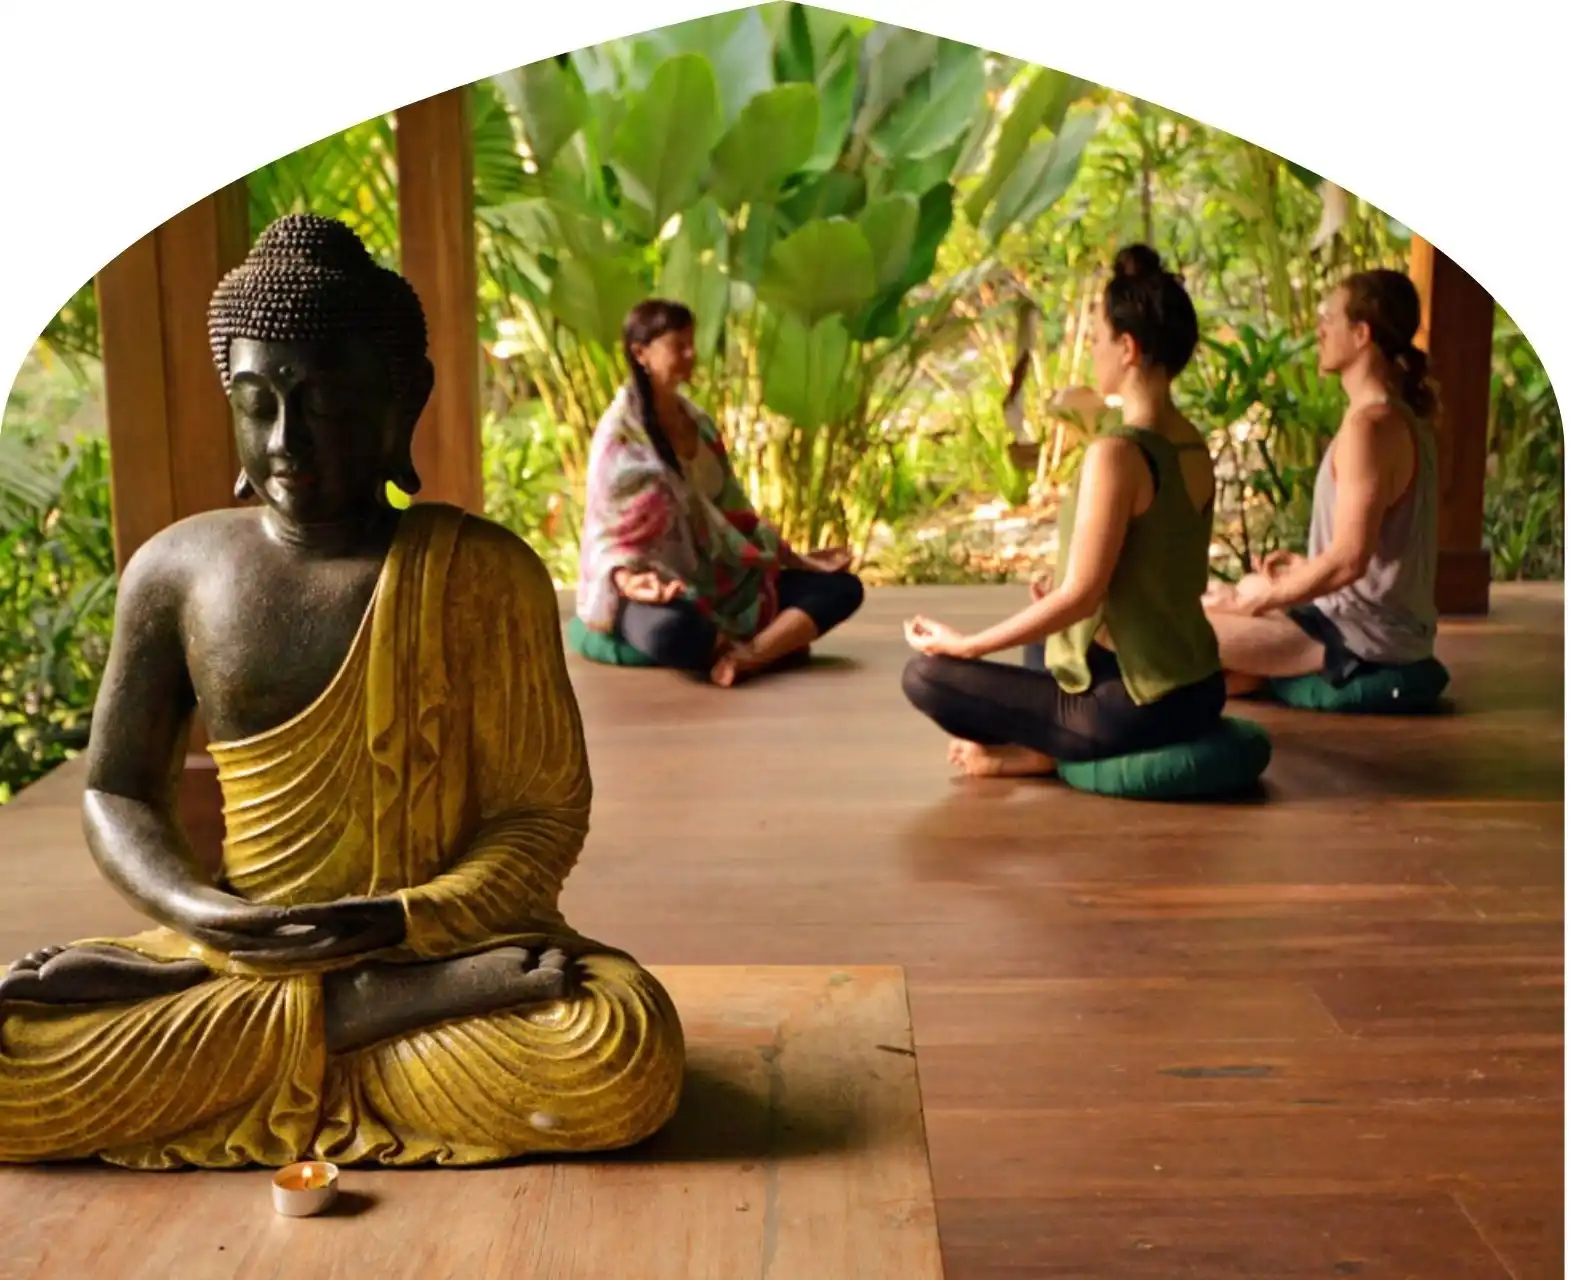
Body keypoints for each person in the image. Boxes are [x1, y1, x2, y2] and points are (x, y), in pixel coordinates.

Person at [0, 214, 684, 1169]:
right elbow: (117, 791)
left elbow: (540, 815)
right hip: (247, 946)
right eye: (258, 401)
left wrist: (399, 922)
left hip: (439, 954)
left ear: (399, 403)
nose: (290, 440)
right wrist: (197, 914)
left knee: (615, 1048)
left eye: (326, 402)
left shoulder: (481, 572)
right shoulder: (177, 570)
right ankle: (345, 1015)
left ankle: (326, 1008)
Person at [901, 245, 1226, 778]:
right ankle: (1047, 743)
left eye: (1098, 339)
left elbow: (1081, 596)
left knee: (927, 677)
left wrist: (967, 645)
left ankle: (1042, 752)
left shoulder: (1117, 453)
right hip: (1199, 685)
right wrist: (1060, 604)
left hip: (1139, 705)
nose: (1092, 350)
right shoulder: (1192, 445)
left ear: (1127, 347)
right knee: (1043, 644)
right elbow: (1150, 571)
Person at [575, 298, 865, 686]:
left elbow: (734, 515)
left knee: (843, 588)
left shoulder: (700, 425)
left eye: (692, 343)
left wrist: (799, 562)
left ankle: (749, 656)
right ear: (641, 353)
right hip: (655, 589)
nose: (692, 354)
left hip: (726, 577)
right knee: (670, 632)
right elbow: (609, 540)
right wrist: (633, 582)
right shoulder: (619, 440)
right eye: (679, 345)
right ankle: (771, 643)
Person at [1204, 269, 1440, 694]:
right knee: (1244, 587)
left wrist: (1257, 603)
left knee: (1186, 621)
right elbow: (1371, 550)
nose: (1319, 330)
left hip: (1363, 640)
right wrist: (1303, 568)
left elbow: (1351, 559)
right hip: (1367, 624)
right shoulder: (1397, 417)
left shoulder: (1372, 427)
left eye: (1328, 318)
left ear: (1361, 333)